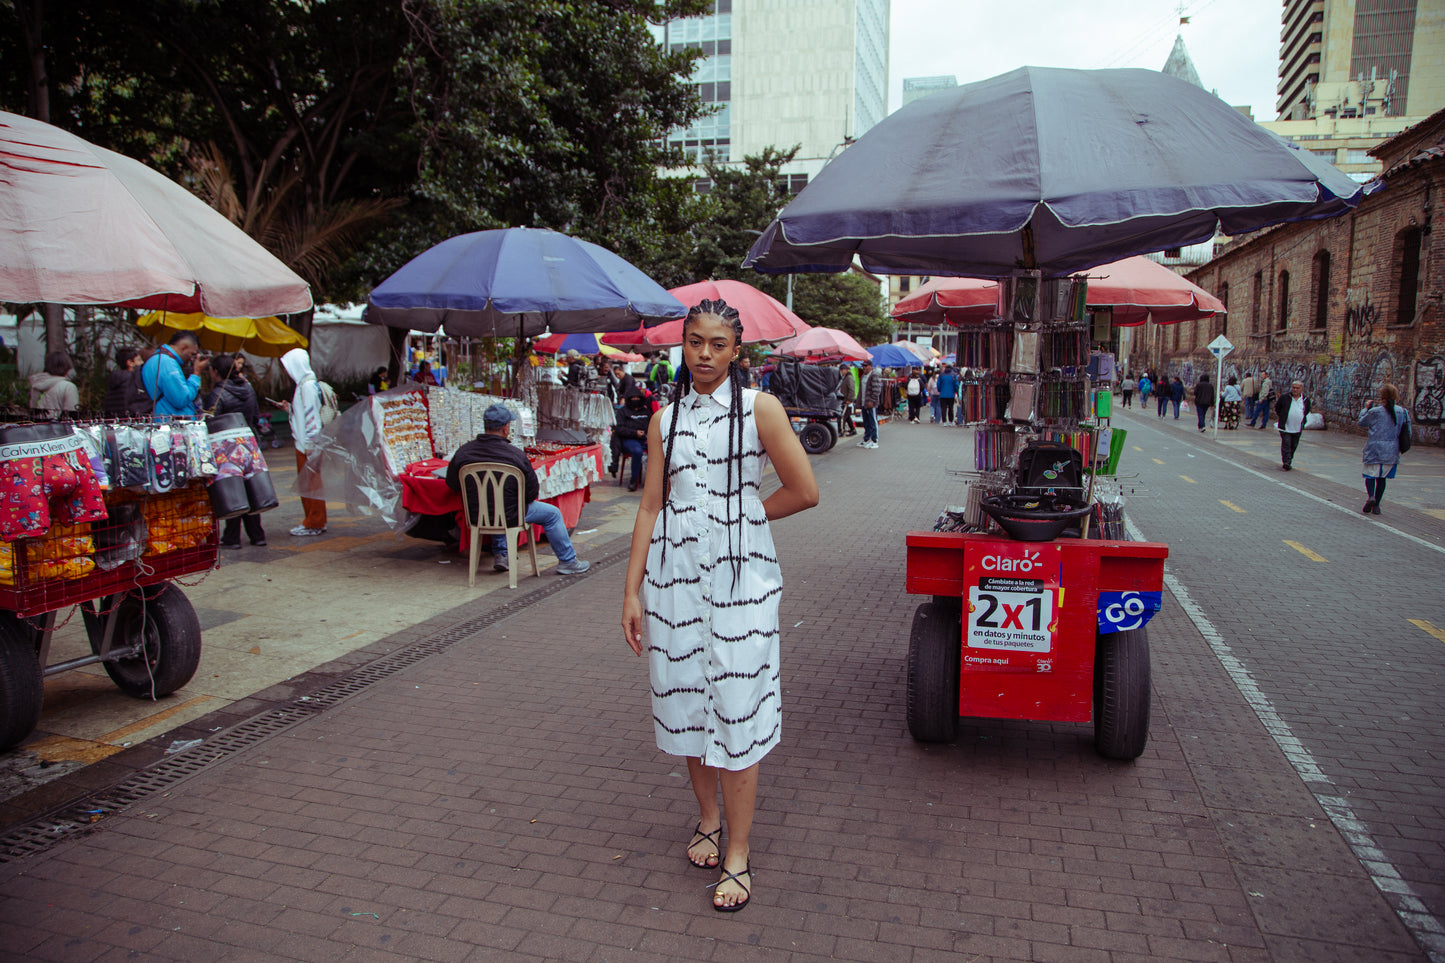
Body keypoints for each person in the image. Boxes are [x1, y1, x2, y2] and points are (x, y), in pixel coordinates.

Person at [620, 298, 818, 913]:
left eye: (717, 344)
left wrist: (743, 513)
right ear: (683, 344)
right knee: (684, 702)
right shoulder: (664, 420)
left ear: (737, 351)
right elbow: (651, 506)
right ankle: (707, 816)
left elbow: (804, 490)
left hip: (740, 583)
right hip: (673, 581)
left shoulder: (760, 408)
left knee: (736, 708)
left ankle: (739, 849)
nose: (703, 354)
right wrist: (631, 589)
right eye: (694, 342)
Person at [447, 403, 590, 575]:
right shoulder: (515, 455)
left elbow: (453, 484)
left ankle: (502, 553)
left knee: (498, 503)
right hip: (511, 514)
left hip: (477, 514)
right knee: (552, 514)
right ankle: (568, 561)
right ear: (506, 428)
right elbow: (531, 492)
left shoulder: (464, 452)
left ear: (485, 426)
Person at [207, 353, 268, 548]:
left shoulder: (217, 394)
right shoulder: (247, 388)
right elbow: (256, 415)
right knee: (249, 488)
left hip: (227, 449)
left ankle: (232, 538)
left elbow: (210, 422)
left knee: (233, 490)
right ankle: (257, 535)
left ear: (215, 371)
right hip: (249, 444)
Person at [279, 348, 328, 536]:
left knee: (311, 485)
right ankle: (313, 521)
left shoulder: (306, 386)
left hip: (308, 445)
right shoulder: (304, 385)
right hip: (306, 443)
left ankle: (315, 522)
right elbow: (304, 414)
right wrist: (290, 409)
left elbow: (311, 417)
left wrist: (310, 444)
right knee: (308, 484)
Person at [1359, 384, 1410, 515]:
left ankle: (1371, 496)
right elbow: (1407, 432)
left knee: (1370, 474)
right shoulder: (1403, 412)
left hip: (1374, 449)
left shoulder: (1375, 411)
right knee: (1382, 478)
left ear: (1382, 397)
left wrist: (1365, 409)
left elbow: (1362, 423)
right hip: (1391, 451)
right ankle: (1377, 505)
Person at [141, 331, 208, 417]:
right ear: (183, 347)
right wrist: (196, 373)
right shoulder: (167, 363)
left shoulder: (159, 359)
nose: (192, 359)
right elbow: (181, 399)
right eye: (192, 354)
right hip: (171, 421)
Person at [613, 387, 652, 491]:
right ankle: (633, 480)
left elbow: (652, 425)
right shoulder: (622, 412)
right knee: (637, 451)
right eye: (633, 398)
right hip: (629, 439)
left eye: (637, 397)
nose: (635, 399)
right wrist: (635, 433)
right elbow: (619, 428)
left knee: (660, 450)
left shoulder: (646, 411)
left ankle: (655, 480)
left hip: (645, 439)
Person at [103, 347, 152, 417]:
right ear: (130, 363)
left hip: (114, 419)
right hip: (129, 419)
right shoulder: (132, 379)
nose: (142, 363)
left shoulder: (115, 378)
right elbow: (136, 402)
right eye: (139, 360)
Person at [29, 350, 80, 416]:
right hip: (58, 425)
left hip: (39, 424)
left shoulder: (38, 385)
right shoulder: (69, 387)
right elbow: (71, 414)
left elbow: (33, 411)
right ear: (67, 366)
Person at [1275, 381, 1311, 471]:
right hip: (1286, 427)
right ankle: (1286, 462)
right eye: (1293, 387)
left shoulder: (1305, 400)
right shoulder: (1285, 397)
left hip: (1298, 427)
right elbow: (1277, 408)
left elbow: (1306, 410)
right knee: (1286, 444)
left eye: (1297, 388)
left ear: (1302, 389)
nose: (1295, 390)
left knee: (1294, 445)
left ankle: (1289, 458)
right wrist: (1283, 416)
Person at [857, 360, 882, 448]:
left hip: (871, 403)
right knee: (866, 422)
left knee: (872, 421)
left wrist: (872, 401)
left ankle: (875, 440)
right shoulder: (864, 376)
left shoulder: (874, 375)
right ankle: (866, 439)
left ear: (871, 366)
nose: (864, 367)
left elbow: (877, 390)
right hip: (864, 403)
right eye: (863, 365)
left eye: (866, 366)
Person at [838, 361, 857, 436]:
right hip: (845, 400)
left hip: (847, 401)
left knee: (843, 417)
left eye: (841, 370)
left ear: (845, 370)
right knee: (847, 416)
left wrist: (849, 399)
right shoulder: (844, 377)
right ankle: (853, 430)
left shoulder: (849, 377)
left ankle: (841, 431)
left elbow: (852, 389)